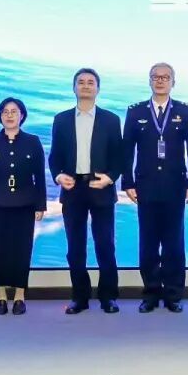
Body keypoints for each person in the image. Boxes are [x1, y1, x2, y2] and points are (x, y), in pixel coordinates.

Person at [123, 62, 188, 313]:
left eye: (165, 77)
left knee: (173, 242)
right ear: (149, 81)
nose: (160, 81)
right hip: (145, 186)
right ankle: (151, 293)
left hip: (175, 186)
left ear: (173, 82)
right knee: (148, 242)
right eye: (155, 77)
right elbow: (127, 150)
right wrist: (128, 182)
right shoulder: (135, 112)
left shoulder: (185, 111)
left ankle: (173, 294)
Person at [49, 68, 124, 315]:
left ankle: (108, 297)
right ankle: (79, 297)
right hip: (73, 189)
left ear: (98, 89)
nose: (86, 85)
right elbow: (54, 156)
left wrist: (110, 178)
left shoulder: (111, 120)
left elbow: (119, 157)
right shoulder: (61, 119)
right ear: (74, 88)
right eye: (81, 82)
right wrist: (58, 175)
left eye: (91, 82)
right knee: (75, 247)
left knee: (105, 245)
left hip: (101, 187)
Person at [0, 97, 47, 315]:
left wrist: (40, 205)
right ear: (0, 116)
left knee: (21, 251)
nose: (9, 115)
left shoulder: (33, 142)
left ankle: (20, 297)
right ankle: (1, 297)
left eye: (14, 111)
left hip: (25, 205)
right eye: (5, 111)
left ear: (22, 115)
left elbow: (39, 177)